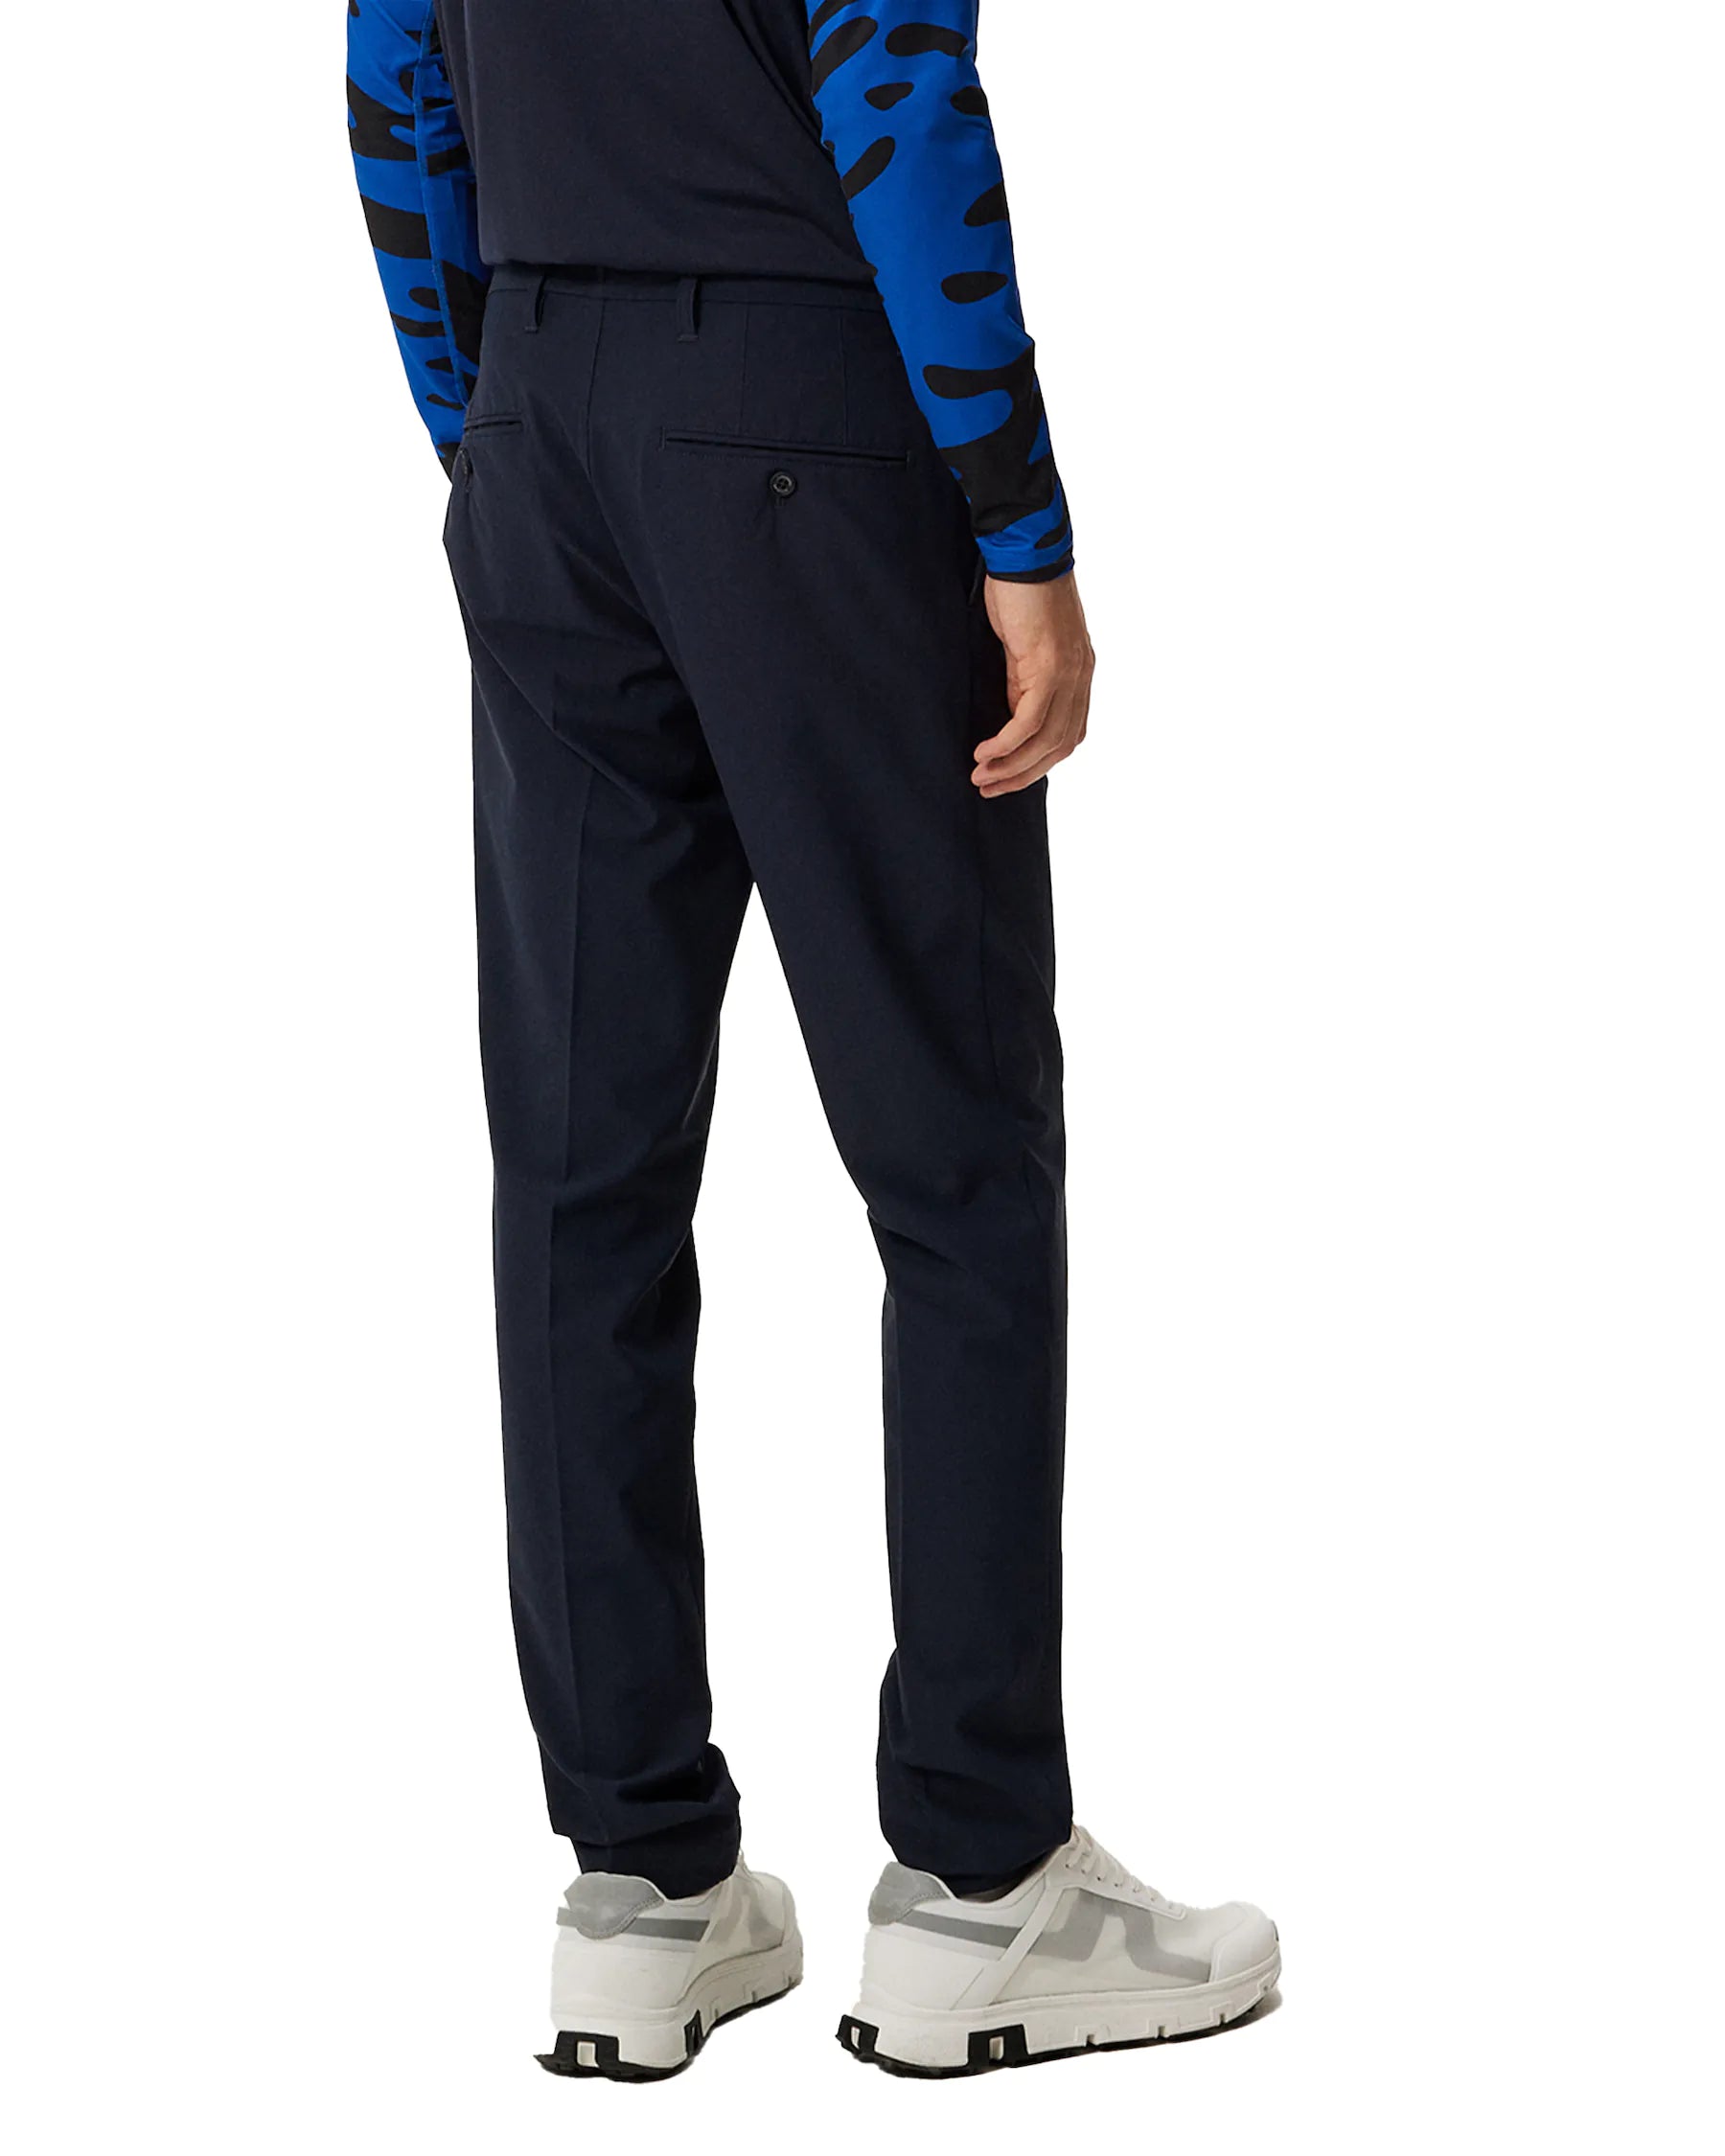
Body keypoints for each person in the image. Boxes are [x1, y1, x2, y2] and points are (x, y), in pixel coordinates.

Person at [348, 0, 1276, 2080]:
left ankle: (639, 1886)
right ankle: (980, 1880)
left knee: (581, 1179)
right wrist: (1018, 521)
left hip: (544, 413)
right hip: (802, 409)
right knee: (956, 1163)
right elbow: (892, 83)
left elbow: (394, 72)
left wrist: (493, 420)